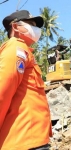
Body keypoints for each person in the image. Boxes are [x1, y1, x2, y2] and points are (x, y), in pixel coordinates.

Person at [0, 10, 52, 150]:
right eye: (30, 24)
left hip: (32, 138)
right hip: (24, 139)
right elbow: (2, 93)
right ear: (16, 27)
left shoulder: (25, 51)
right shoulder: (16, 48)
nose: (36, 29)